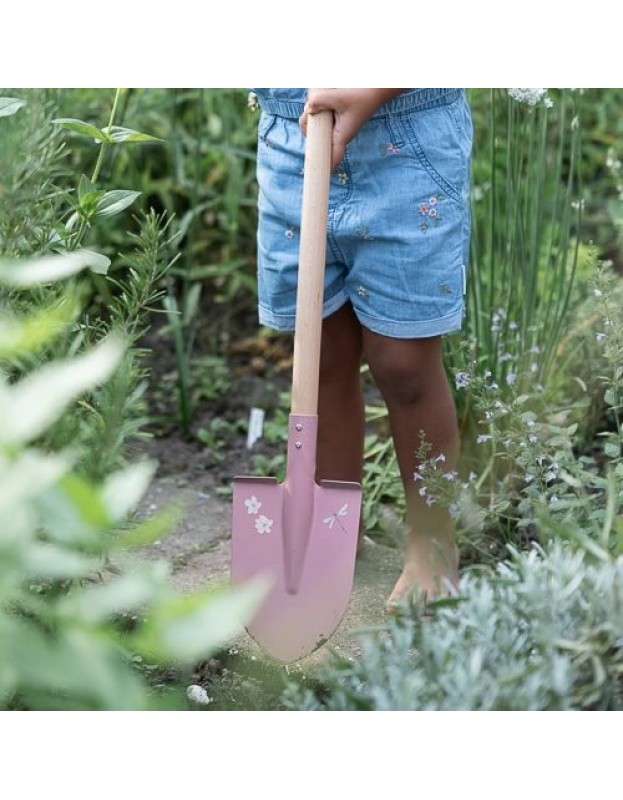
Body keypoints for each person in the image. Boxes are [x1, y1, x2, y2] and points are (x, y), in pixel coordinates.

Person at [251, 88, 473, 611]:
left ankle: (433, 541)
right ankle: (331, 524)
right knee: (320, 351)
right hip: (292, 144)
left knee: (405, 363)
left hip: (407, 148)